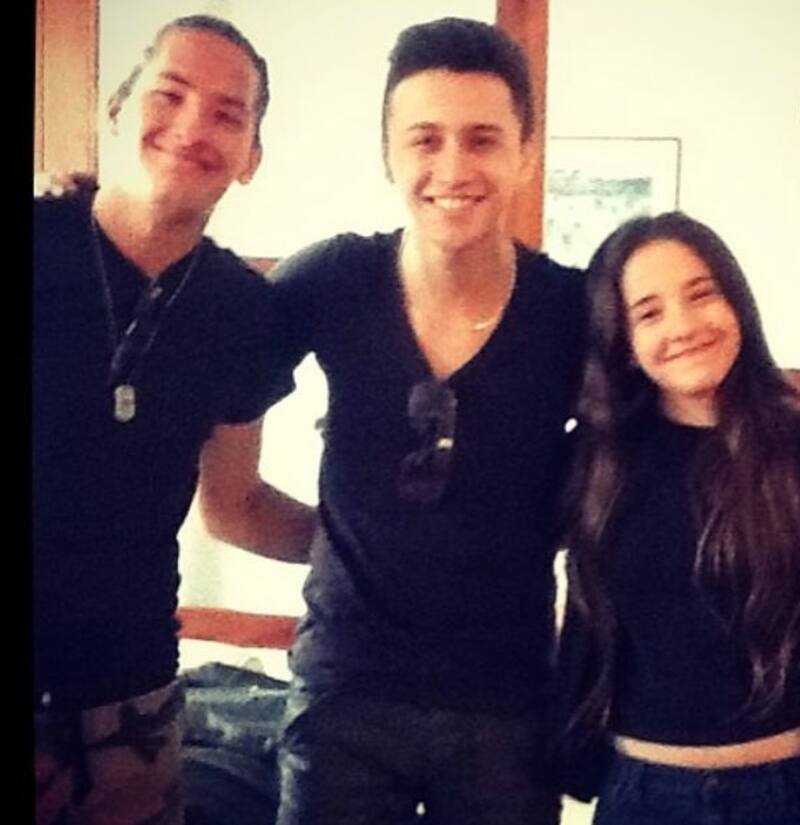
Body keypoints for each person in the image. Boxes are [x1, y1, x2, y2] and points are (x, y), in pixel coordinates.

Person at [261, 17, 586, 825]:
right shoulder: (330, 280)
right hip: (344, 694)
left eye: (483, 139)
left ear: (526, 152)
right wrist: (81, 209)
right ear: (387, 154)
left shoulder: (573, 311)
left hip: (506, 706)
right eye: (425, 139)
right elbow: (197, 326)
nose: (452, 167)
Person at [33, 15, 313, 825]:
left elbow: (235, 505)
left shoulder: (245, 313)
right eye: (171, 93)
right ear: (117, 110)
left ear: (251, 156)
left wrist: (379, 541)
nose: (194, 126)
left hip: (136, 705)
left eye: (228, 114)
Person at [554, 211, 800, 824]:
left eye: (701, 294)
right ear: (624, 342)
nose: (684, 326)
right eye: (649, 313)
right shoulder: (596, 460)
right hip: (646, 794)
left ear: (736, 302)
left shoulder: (792, 438)